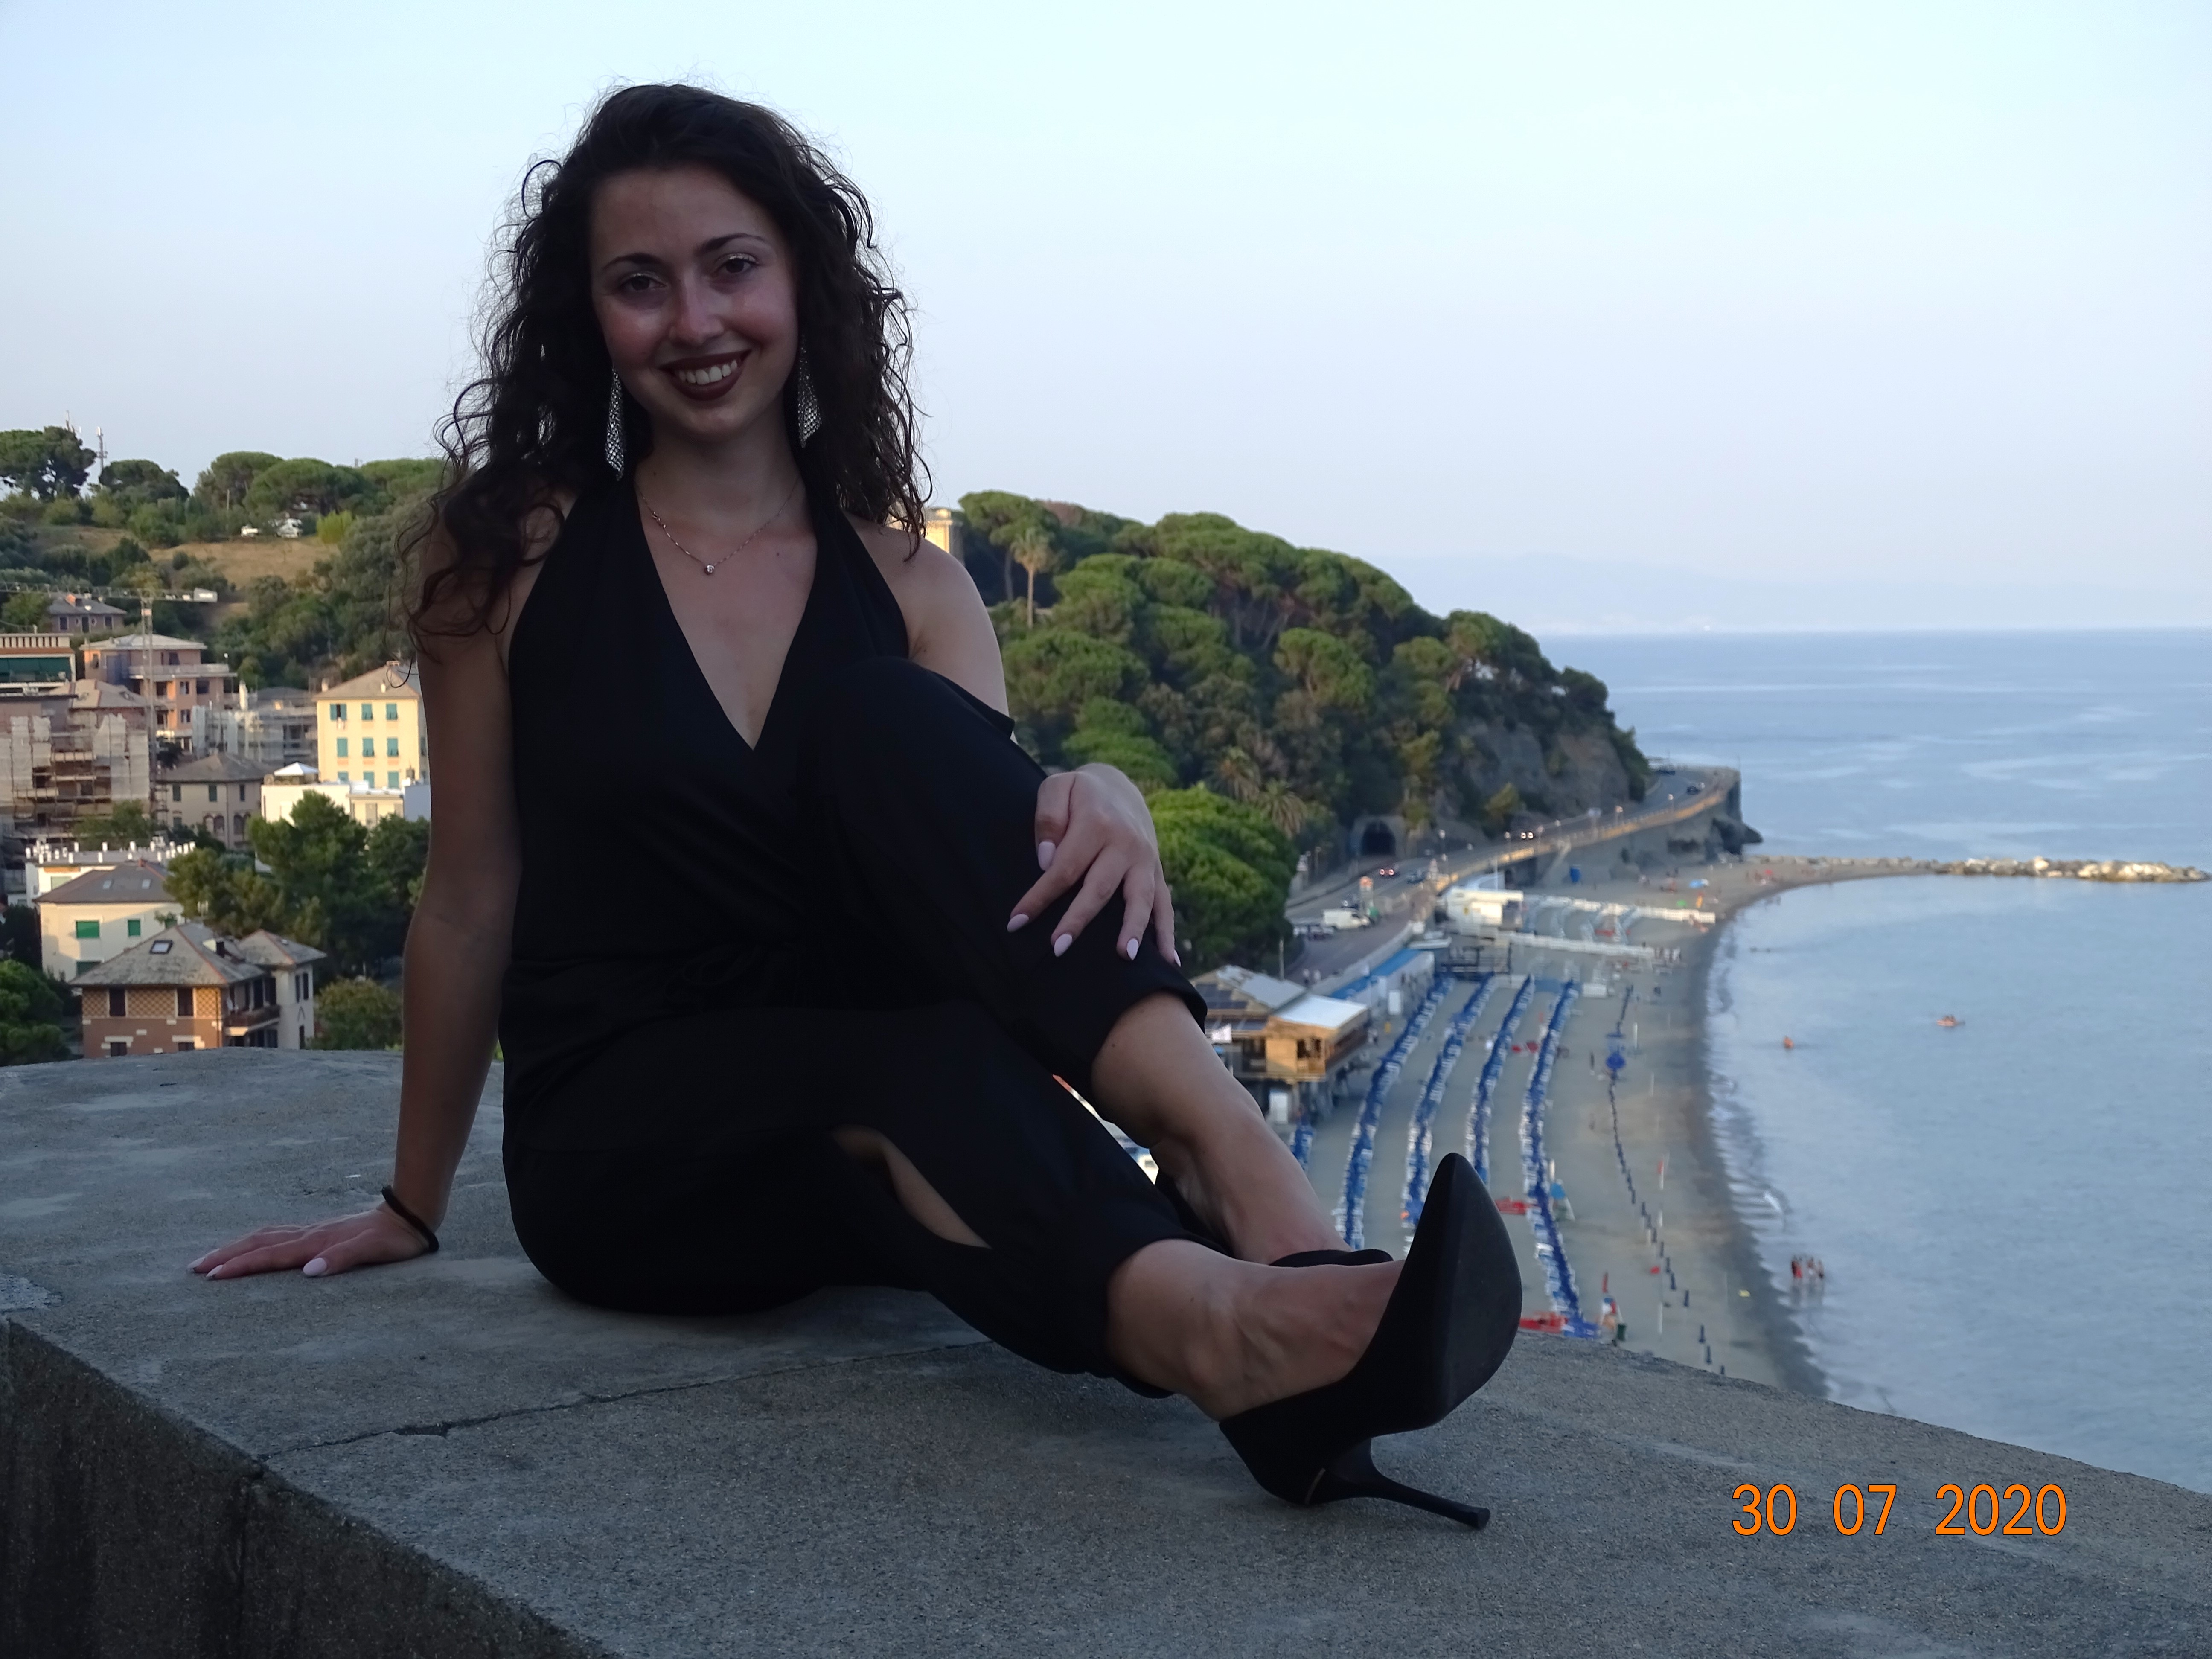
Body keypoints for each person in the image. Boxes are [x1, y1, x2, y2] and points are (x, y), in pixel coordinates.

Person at [187, 86, 1520, 1528]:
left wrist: (1104, 792)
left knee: (891, 749)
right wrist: (411, 1202)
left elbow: (988, 881)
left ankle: (1261, 1206)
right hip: (632, 1145)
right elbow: (468, 895)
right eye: (641, 283)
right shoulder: (510, 558)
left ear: (803, 283)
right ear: (590, 318)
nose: (696, 321)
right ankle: (1237, 1338)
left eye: (732, 268)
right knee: (898, 1058)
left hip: (887, 1124)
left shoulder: (916, 587)